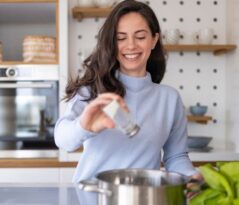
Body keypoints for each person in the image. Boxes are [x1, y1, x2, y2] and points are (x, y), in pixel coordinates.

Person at [55, 0, 201, 183]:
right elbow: (63, 141)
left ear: (154, 40)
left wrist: (192, 176)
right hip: (94, 196)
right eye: (121, 38)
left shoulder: (169, 99)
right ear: (111, 43)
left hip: (144, 198)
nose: (131, 46)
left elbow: (176, 157)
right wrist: (84, 126)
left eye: (140, 37)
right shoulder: (93, 91)